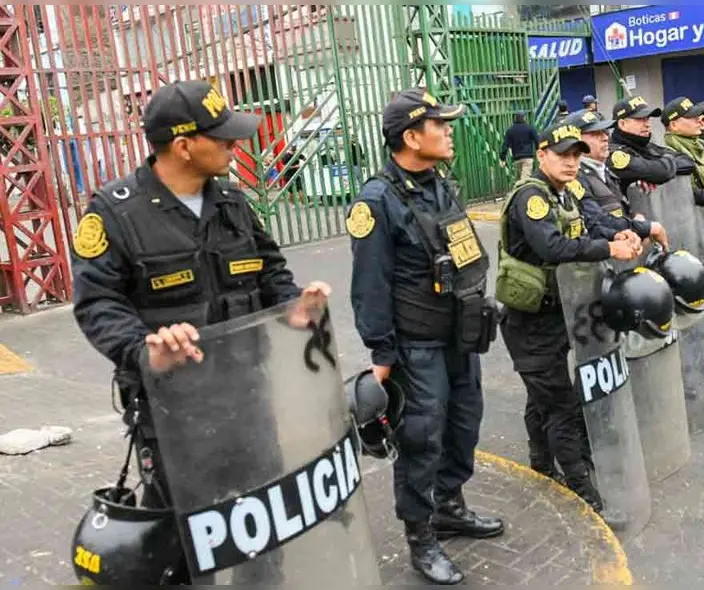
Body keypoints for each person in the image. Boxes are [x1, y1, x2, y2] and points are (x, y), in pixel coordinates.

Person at [70, 80, 331, 581]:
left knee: (262, 527)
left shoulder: (232, 201)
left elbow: (270, 269)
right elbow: (98, 302)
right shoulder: (115, 213)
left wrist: (294, 305)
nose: (237, 146)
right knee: (191, 539)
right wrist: (141, 349)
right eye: (225, 138)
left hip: (250, 395)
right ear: (184, 145)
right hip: (175, 412)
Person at [346, 88, 503, 585]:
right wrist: (382, 353)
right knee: (421, 437)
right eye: (441, 124)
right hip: (416, 345)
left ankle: (449, 508)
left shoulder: (440, 185)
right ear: (411, 137)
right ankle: (421, 537)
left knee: (465, 423)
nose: (449, 130)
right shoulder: (376, 201)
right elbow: (370, 287)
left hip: (460, 334)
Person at [496, 120, 640, 515]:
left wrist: (625, 232)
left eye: (577, 155)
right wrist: (608, 248)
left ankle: (541, 465)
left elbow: (593, 223)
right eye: (563, 155)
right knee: (561, 406)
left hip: (557, 313)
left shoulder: (565, 193)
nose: (572, 163)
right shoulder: (533, 196)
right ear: (541, 155)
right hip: (529, 321)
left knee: (542, 396)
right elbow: (553, 245)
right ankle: (583, 492)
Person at [568, 109, 669, 249]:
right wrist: (644, 227)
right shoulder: (574, 177)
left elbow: (618, 209)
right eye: (595, 133)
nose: (604, 138)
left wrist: (634, 218)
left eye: (605, 132)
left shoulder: (604, 172)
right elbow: (597, 222)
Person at [607, 95, 679, 199]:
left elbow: (686, 160)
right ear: (622, 124)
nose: (647, 124)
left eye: (647, 119)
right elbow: (663, 172)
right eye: (640, 119)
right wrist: (654, 169)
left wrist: (648, 173)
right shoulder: (614, 153)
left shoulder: (644, 146)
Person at [500, 112, 540, 181]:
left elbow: (505, 145)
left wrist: (502, 158)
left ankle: (521, 190)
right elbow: (537, 141)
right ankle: (525, 190)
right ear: (524, 118)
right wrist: (539, 151)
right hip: (528, 156)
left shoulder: (510, 130)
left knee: (520, 179)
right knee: (525, 178)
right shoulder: (530, 128)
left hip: (517, 157)